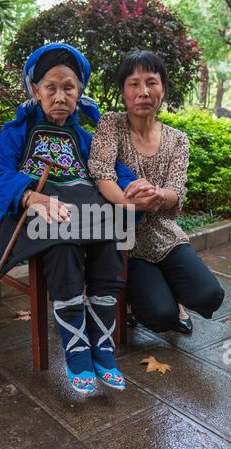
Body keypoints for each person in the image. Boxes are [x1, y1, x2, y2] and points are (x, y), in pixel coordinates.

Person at [0, 43, 141, 394]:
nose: (59, 96)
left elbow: (114, 170)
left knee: (110, 235)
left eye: (68, 88)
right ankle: (75, 344)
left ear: (79, 92)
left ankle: (102, 341)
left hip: (81, 213)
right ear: (35, 90)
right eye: (50, 88)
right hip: (29, 215)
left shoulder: (86, 137)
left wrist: (135, 187)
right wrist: (29, 195)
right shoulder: (18, 132)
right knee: (62, 241)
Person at [88, 50, 225, 335]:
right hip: (126, 241)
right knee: (161, 317)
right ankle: (142, 303)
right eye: (134, 83)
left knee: (210, 295)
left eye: (152, 82)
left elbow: (176, 190)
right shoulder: (111, 124)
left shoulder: (177, 139)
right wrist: (132, 203)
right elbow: (101, 173)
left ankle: (172, 294)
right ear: (123, 91)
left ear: (163, 89)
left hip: (164, 234)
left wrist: (159, 195)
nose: (143, 92)